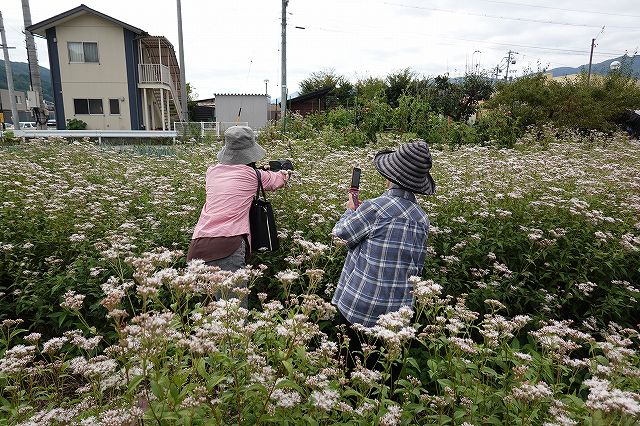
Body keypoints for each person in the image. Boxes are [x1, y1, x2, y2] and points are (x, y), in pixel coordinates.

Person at [331, 140, 435, 369]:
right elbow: (416, 268)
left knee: (348, 371)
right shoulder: (422, 219)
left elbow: (340, 235)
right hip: (397, 318)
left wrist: (350, 210)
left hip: (359, 309)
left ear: (391, 175)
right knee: (383, 378)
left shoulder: (375, 208)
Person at [187, 125, 289, 305]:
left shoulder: (212, 172)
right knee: (233, 317)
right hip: (228, 247)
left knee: (204, 317)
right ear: (250, 152)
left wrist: (259, 171)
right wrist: (284, 172)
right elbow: (277, 180)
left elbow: (234, 179)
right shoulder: (253, 175)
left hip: (198, 249)